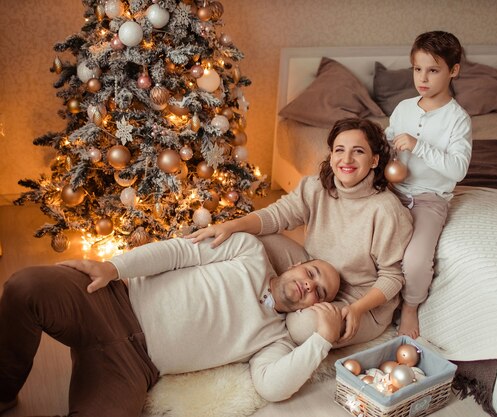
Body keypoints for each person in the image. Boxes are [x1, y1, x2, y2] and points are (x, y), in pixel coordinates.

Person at [0, 232, 343, 416]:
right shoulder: (249, 251)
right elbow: (179, 252)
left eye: (320, 292)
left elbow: (272, 387)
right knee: (25, 287)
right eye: (311, 273)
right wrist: (113, 268)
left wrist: (322, 340)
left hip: (131, 368)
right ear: (299, 264)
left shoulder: (276, 340)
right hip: (110, 300)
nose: (309, 285)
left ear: (316, 305)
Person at [187, 117, 413, 348]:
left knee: (302, 327)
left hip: (359, 299)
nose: (346, 159)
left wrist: (357, 310)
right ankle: (204, 287)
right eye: (339, 150)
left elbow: (392, 276)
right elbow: (277, 215)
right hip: (313, 269)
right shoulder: (316, 187)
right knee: (246, 238)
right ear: (331, 155)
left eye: (358, 152)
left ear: (374, 160)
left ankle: (266, 314)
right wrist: (231, 225)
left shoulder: (386, 210)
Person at [385, 31, 472, 339]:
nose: (423, 77)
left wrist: (418, 146)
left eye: (433, 70)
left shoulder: (457, 120)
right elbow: (389, 138)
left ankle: (410, 306)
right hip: (393, 192)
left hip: (429, 198)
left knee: (416, 260)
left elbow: (458, 169)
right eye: (417, 69)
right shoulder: (404, 108)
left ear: (453, 70)